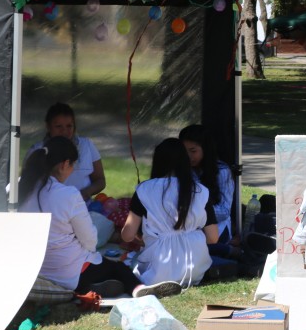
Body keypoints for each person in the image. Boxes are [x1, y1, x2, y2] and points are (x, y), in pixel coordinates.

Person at [18, 136, 175, 298]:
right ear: (65, 164)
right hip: (69, 272)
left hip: (30, 269)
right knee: (118, 268)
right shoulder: (68, 195)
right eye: (73, 166)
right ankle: (136, 288)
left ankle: (90, 287)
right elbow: (90, 239)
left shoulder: (15, 189)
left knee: (97, 265)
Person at [121, 138, 220, 288]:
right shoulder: (200, 191)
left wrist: (146, 236)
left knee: (131, 260)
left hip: (159, 270)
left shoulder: (144, 189)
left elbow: (127, 235)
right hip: (196, 269)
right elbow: (213, 238)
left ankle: (144, 285)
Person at [29, 102, 105, 201]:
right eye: (58, 126)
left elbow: (100, 180)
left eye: (69, 126)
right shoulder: (37, 150)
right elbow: (28, 184)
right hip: (49, 207)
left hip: (83, 206)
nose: (64, 131)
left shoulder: (87, 145)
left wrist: (85, 193)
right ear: (48, 126)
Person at [178, 124, 236, 245]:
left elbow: (225, 211)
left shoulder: (222, 171)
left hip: (217, 231)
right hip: (189, 230)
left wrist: (194, 213)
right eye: (184, 151)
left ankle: (228, 249)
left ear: (206, 149)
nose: (188, 156)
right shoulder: (183, 169)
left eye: (193, 151)